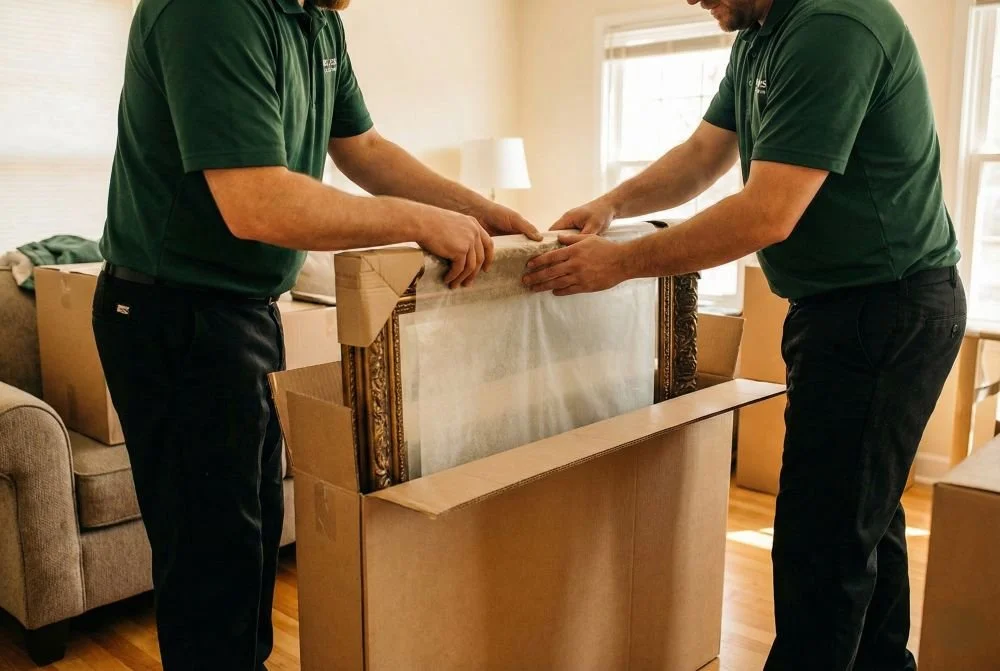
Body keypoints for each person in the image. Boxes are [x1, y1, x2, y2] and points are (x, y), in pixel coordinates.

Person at [92, 0, 540, 669]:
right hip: (174, 315)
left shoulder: (316, 17)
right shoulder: (212, 12)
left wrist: (476, 209)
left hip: (242, 310)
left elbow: (365, 148)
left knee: (251, 545)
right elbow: (257, 202)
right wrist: (417, 220)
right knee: (214, 573)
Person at [523, 0, 965, 669]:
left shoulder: (832, 26)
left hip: (885, 309)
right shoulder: (760, 33)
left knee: (821, 545)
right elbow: (702, 155)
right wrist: (613, 204)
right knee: (863, 520)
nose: (696, 1)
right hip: (841, 307)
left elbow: (767, 212)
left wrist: (618, 263)